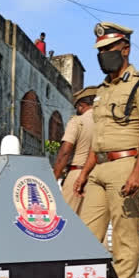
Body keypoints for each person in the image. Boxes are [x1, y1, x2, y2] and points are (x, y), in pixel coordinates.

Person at [73, 23, 139, 278]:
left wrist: (137, 172)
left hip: (126, 165)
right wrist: (83, 174)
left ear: (125, 49)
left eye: (109, 48)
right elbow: (98, 139)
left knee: (124, 235)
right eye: (100, 50)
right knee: (86, 235)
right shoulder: (101, 91)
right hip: (98, 167)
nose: (103, 54)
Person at [53, 86, 98, 216]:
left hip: (77, 175)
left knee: (66, 220)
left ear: (81, 105)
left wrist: (54, 177)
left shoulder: (78, 121)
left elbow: (65, 152)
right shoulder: (104, 122)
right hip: (98, 176)